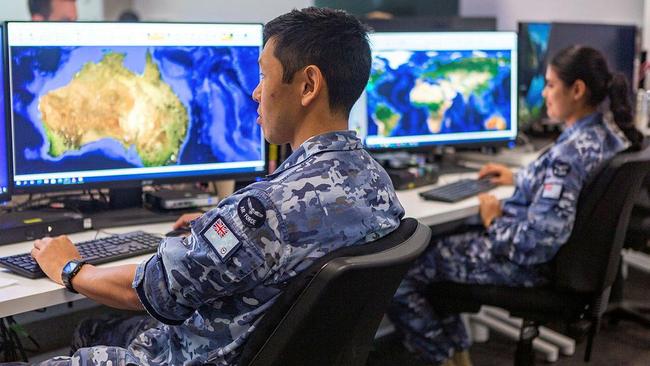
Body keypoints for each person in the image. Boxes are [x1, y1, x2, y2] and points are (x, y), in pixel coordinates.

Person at [11, 7, 404, 366]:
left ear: (307, 85)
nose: (255, 91)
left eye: (263, 74)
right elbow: (292, 239)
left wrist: (68, 267)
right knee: (93, 330)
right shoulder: (376, 183)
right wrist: (221, 227)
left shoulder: (264, 211)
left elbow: (147, 292)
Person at [387, 45, 644, 366]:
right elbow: (570, 189)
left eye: (550, 85)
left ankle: (441, 357)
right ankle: (458, 356)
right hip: (565, 264)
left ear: (577, 90)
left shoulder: (569, 154)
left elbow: (538, 242)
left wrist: (494, 221)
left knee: (402, 272)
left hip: (530, 265)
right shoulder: (605, 135)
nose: (544, 94)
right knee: (435, 250)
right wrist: (522, 178)